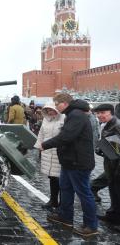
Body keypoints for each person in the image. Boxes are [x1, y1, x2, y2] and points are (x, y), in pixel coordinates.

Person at [41, 93, 98, 237]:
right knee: (65, 189)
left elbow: (66, 137)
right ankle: (65, 217)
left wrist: (45, 145)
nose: (56, 107)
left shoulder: (77, 115)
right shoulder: (72, 114)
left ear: (64, 103)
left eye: (57, 104)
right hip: (69, 162)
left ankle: (91, 226)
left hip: (78, 163)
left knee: (84, 194)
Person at [93, 104, 120, 228]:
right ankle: (113, 215)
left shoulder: (117, 125)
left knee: (117, 191)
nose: (99, 115)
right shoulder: (106, 124)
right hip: (110, 163)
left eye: (103, 112)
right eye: (97, 113)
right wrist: (101, 149)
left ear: (111, 112)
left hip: (117, 166)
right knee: (113, 190)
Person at [34, 102, 64, 210]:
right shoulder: (46, 120)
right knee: (51, 177)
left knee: (60, 179)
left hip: (58, 152)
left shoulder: (64, 119)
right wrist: (39, 146)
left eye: (52, 110)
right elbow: (41, 134)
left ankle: (63, 203)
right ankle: (53, 200)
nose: (50, 112)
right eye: (48, 110)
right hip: (47, 151)